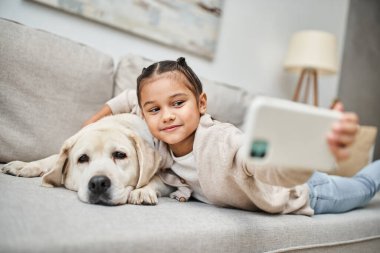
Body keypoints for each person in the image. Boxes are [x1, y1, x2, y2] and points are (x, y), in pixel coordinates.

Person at [84, 57, 380, 215]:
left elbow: (261, 164)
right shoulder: (157, 138)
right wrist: (86, 132)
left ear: (201, 104)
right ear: (144, 114)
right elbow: (127, 99)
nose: (167, 115)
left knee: (364, 187)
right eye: (154, 109)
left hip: (306, 191)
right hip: (293, 181)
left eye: (178, 103)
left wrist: (300, 157)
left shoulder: (222, 142)